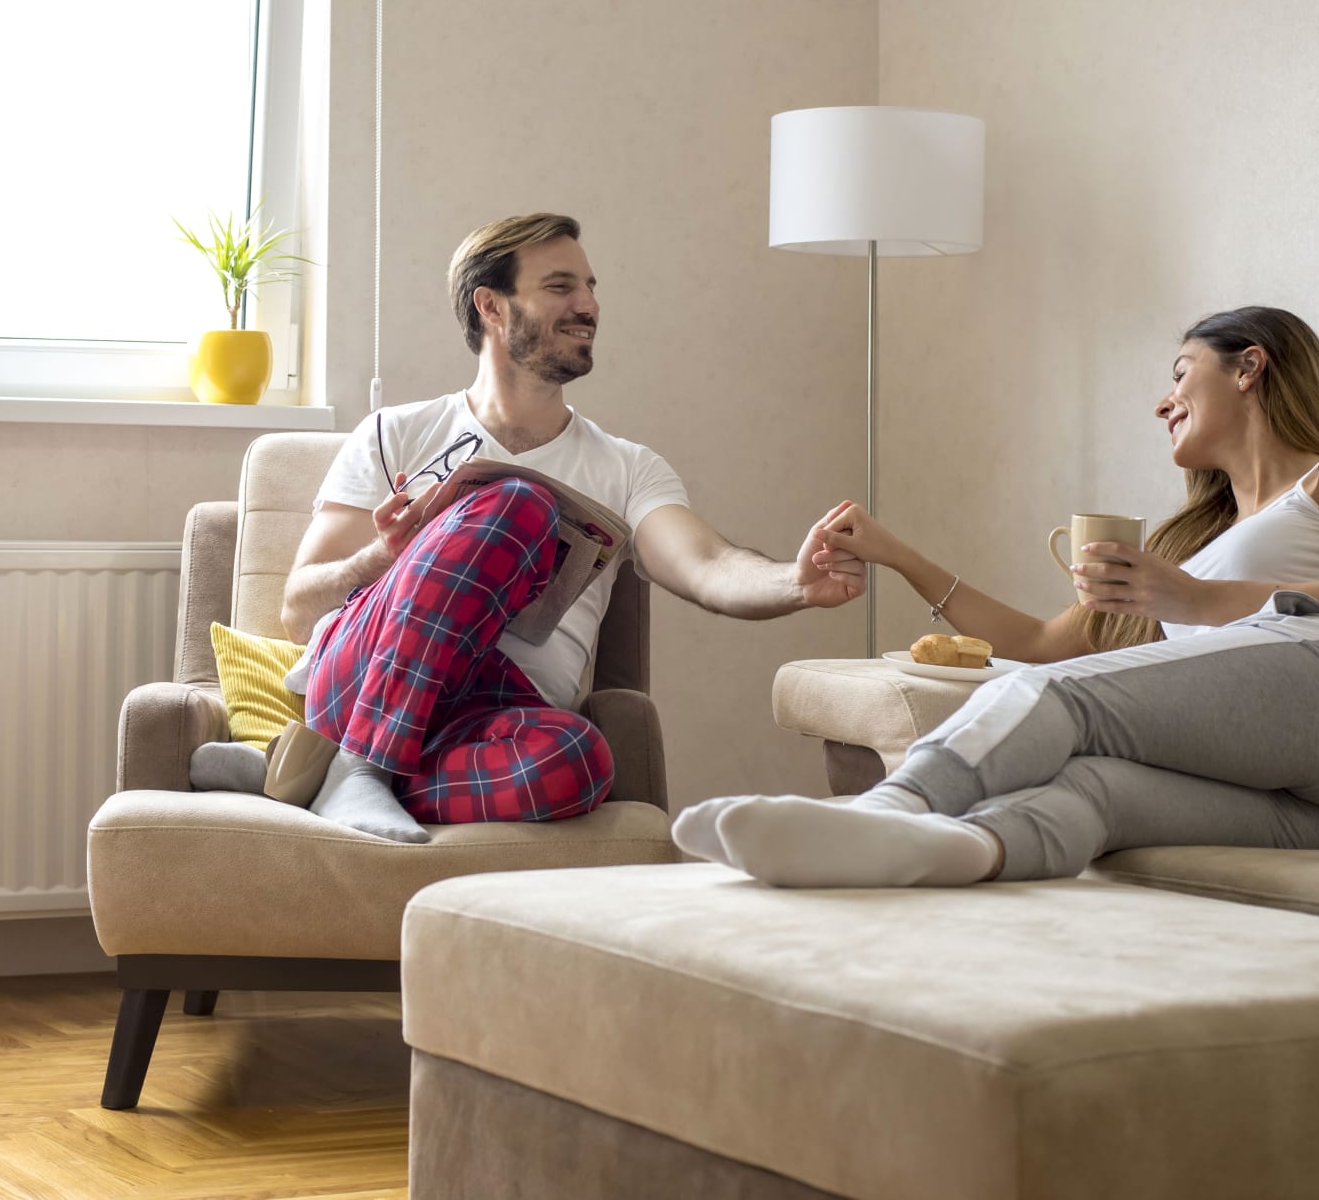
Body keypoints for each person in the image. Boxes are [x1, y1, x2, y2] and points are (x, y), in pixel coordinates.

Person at [677, 305, 1319, 888]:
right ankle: (925, 848)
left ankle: (883, 810)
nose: (1163, 401)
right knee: (1092, 788)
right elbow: (1040, 643)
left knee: (1064, 699)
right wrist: (899, 556)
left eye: (1180, 373)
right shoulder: (1184, 548)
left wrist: (1194, 601)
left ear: (1249, 367)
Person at [190, 212, 867, 841]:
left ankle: (312, 777)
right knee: (520, 505)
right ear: (491, 305)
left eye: (591, 287)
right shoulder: (395, 435)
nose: (589, 305)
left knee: (579, 760)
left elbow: (708, 565)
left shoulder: (627, 467)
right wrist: (383, 558)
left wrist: (794, 583)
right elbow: (299, 614)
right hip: (365, 675)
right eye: (560, 286)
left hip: (497, 716)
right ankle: (362, 765)